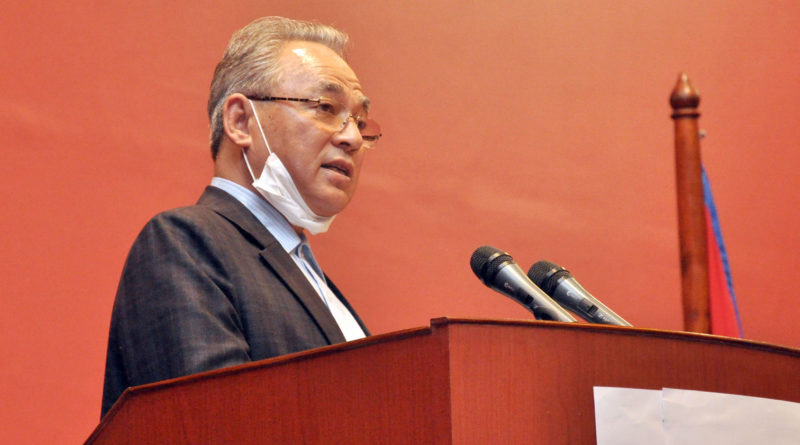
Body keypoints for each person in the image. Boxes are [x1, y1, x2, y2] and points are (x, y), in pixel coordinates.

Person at [101, 16, 380, 417]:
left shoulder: (305, 271)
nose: (352, 137)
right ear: (240, 122)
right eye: (325, 107)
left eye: (361, 122)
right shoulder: (186, 243)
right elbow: (212, 423)